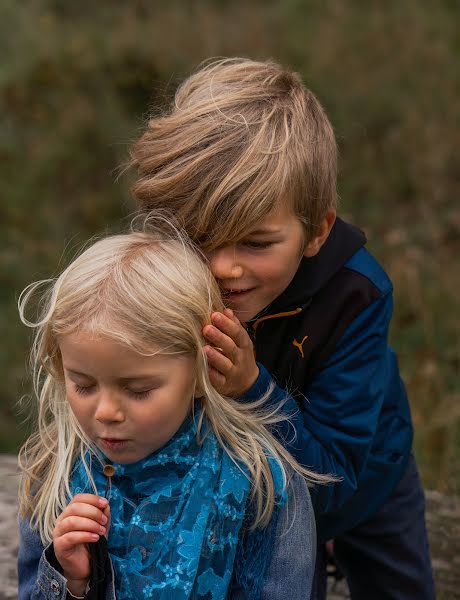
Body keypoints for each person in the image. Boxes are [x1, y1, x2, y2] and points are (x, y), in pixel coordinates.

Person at [129, 58, 436, 599]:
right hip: (247, 489)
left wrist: (252, 389)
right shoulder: (162, 276)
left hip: (363, 479)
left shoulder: (357, 296)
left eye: (255, 242)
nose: (223, 268)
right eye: (200, 236)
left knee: (399, 587)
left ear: (315, 231)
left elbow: (334, 478)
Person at [17, 222, 325, 600]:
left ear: (201, 372)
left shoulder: (260, 484)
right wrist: (75, 583)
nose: (106, 412)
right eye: (83, 384)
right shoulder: (56, 473)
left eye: (139, 390)